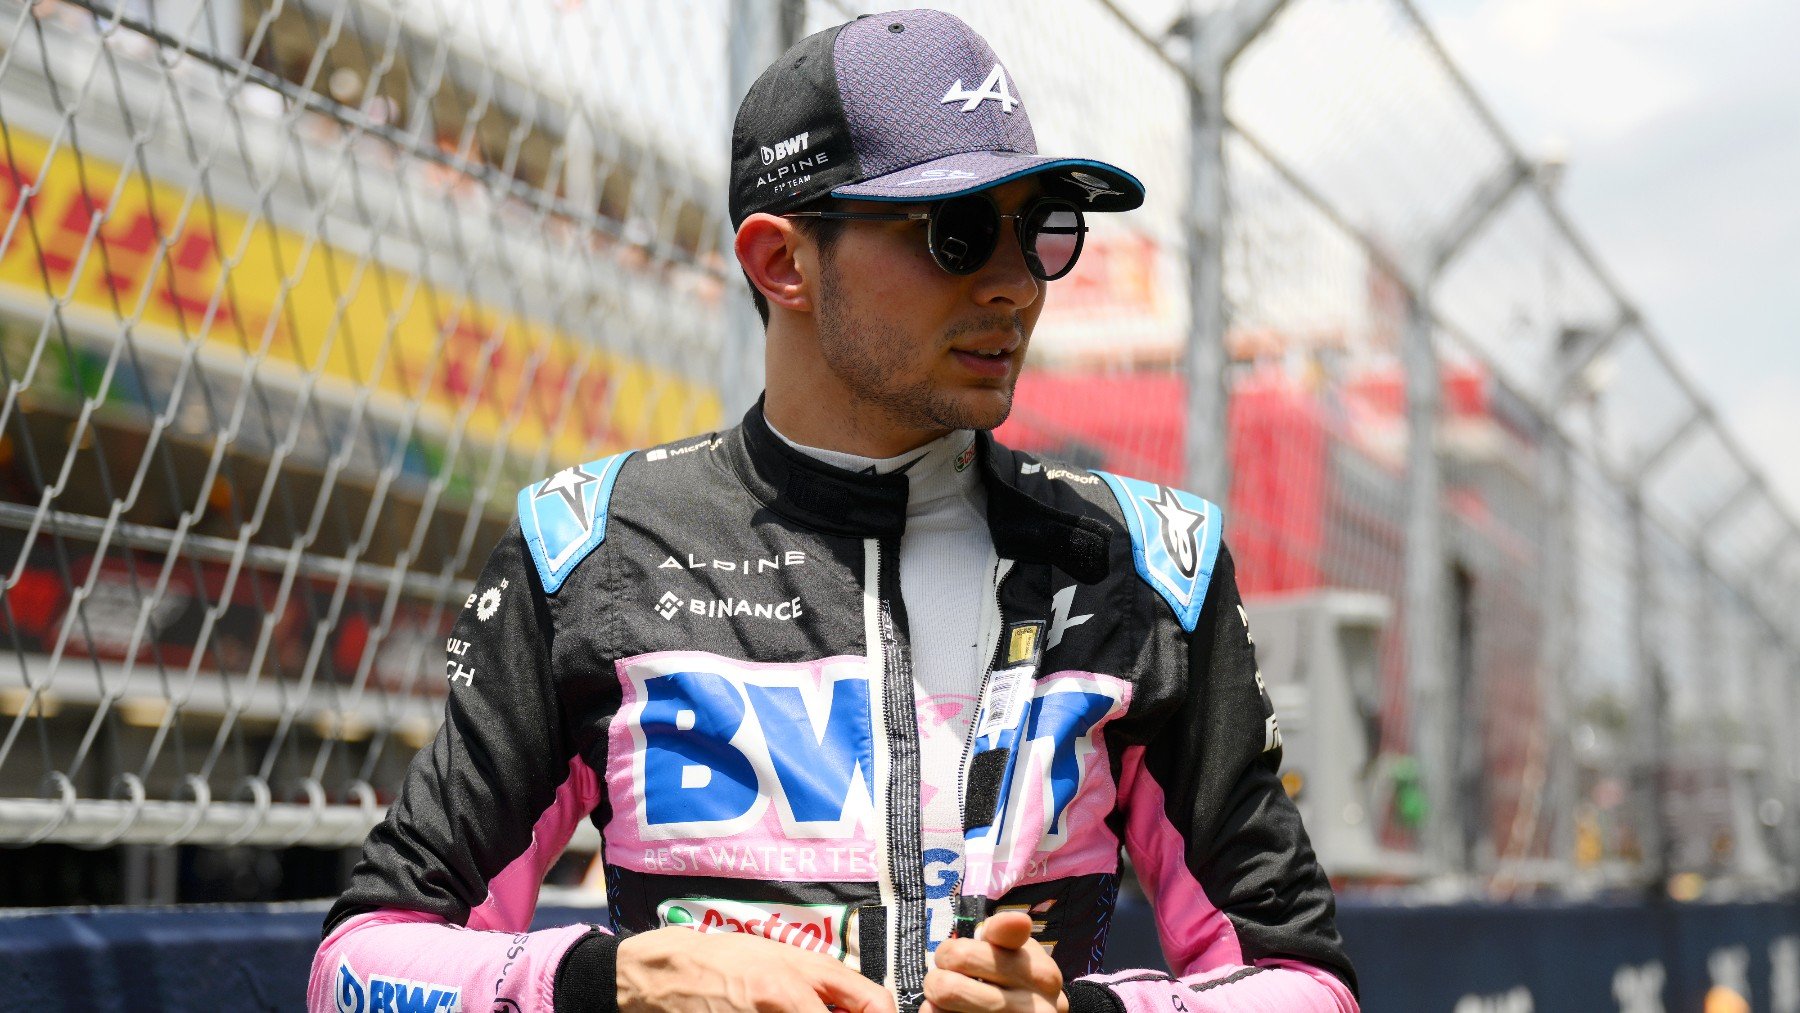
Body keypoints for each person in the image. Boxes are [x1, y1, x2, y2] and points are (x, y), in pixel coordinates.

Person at [309, 10, 1359, 1013]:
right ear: (782, 261)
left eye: (1040, 230)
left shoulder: (1143, 566)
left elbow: (1309, 982)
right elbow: (357, 965)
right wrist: (607, 983)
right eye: (955, 234)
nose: (1015, 287)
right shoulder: (592, 549)